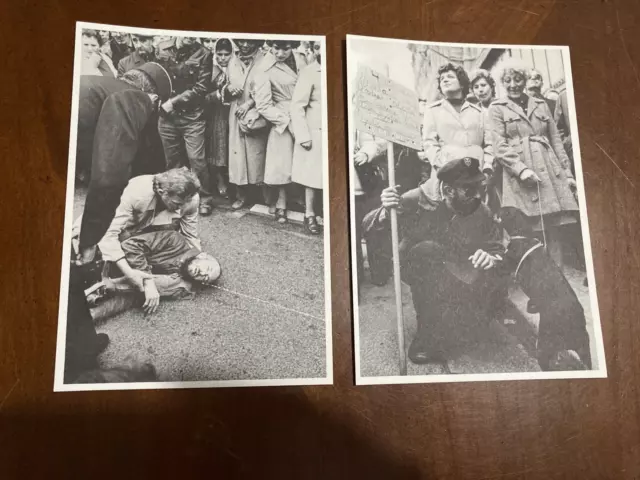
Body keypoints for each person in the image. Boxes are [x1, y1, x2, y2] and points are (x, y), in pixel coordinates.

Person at [365, 157, 506, 364]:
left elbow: (496, 247)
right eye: (469, 190)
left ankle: (460, 320)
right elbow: (368, 226)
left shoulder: (480, 209)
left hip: (460, 270)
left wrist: (491, 257)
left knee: (484, 310)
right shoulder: (416, 199)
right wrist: (386, 210)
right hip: (422, 267)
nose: (477, 195)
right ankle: (426, 333)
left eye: (478, 187)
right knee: (427, 251)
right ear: (448, 190)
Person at [74, 63, 173, 265]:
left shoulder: (99, 84)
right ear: (154, 98)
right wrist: (90, 240)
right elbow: (108, 177)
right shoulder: (134, 98)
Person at [488, 61, 578, 269]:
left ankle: (559, 282)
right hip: (519, 175)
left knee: (555, 228)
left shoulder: (541, 104)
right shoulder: (497, 108)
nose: (513, 85)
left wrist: (568, 173)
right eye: (508, 80)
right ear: (502, 83)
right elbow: (499, 146)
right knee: (530, 231)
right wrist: (521, 170)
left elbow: (556, 140)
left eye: (518, 79)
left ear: (525, 80)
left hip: (550, 173)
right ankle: (540, 285)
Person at [97, 168, 203, 312]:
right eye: (177, 204)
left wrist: (196, 260)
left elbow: (190, 236)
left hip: (149, 239)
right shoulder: (136, 192)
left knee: (184, 283)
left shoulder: (192, 199)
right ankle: (112, 284)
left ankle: (120, 285)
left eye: (185, 203)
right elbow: (108, 235)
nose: (179, 210)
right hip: (122, 232)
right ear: (162, 192)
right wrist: (133, 274)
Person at [98, 228, 221, 317]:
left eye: (205, 278)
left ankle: (98, 296)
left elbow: (134, 299)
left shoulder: (182, 282)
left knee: (180, 286)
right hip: (107, 258)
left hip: (115, 281)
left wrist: (95, 314)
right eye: (208, 268)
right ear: (203, 255)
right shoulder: (175, 240)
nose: (203, 273)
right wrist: (148, 282)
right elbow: (130, 246)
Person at [156, 36, 215, 216]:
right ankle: (174, 197)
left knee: (196, 160)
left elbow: (201, 88)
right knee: (172, 160)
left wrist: (173, 103)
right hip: (167, 117)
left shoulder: (204, 54)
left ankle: (204, 198)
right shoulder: (162, 48)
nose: (190, 36)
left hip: (192, 116)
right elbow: (153, 75)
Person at [422, 63, 493, 207]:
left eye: (450, 77)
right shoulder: (433, 111)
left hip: (477, 172)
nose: (445, 80)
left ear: (462, 84)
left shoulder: (479, 112)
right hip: (447, 172)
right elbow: (429, 143)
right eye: (442, 79)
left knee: (478, 212)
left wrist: (487, 167)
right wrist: (444, 168)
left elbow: (489, 142)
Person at [254, 40, 307, 223]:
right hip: (282, 117)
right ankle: (281, 202)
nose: (280, 53)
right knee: (282, 161)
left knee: (306, 159)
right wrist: (286, 121)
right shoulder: (264, 67)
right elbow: (263, 105)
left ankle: (305, 201)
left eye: (285, 48)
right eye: (276, 47)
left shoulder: (303, 58)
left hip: (306, 113)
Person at [224, 39, 270, 210]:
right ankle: (241, 194)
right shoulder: (233, 60)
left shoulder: (265, 60)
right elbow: (228, 83)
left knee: (258, 153)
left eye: (249, 41)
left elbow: (266, 88)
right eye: (241, 41)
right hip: (236, 110)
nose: (244, 45)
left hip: (258, 109)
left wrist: (249, 103)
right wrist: (229, 89)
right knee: (237, 156)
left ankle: (265, 194)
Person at [290, 40, 323, 234]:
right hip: (314, 132)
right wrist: (303, 135)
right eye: (317, 47)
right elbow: (297, 105)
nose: (321, 51)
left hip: (332, 131)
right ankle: (309, 214)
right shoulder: (309, 72)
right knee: (312, 176)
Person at [204, 39, 233, 198]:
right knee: (218, 148)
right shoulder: (211, 70)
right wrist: (217, 94)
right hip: (216, 114)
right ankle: (220, 181)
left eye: (226, 54)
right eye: (219, 54)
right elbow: (202, 96)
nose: (222, 58)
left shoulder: (237, 68)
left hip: (233, 112)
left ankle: (234, 182)